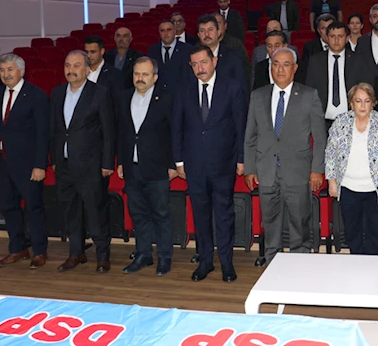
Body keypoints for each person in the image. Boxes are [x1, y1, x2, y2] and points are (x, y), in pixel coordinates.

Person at [244, 47, 327, 265]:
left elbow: (320, 138)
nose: (280, 69)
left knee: (300, 224)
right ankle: (273, 265)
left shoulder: (309, 95)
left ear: (295, 68)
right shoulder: (258, 96)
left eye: (286, 64)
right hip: (266, 171)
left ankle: (299, 268)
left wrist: (317, 170)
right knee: (270, 225)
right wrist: (250, 168)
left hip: (298, 172)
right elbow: (250, 136)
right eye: (275, 64)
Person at [174, 45, 247, 282]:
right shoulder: (184, 90)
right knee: (200, 214)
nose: (200, 68)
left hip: (223, 163)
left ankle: (226, 263)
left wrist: (241, 159)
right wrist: (179, 161)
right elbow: (177, 127)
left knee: (224, 215)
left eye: (203, 62)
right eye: (194, 64)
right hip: (194, 164)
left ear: (214, 61)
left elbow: (240, 126)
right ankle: (205, 262)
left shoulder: (232, 87)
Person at [50, 50, 115, 273]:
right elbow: (54, 130)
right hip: (64, 165)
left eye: (77, 65)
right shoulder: (57, 93)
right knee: (71, 211)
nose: (71, 70)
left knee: (96, 211)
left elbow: (109, 131)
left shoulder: (100, 93)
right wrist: (54, 159)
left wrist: (107, 163)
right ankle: (76, 253)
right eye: (67, 65)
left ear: (87, 69)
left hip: (91, 166)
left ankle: (102, 255)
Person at [0, 53, 50, 269]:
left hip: (28, 165)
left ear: (22, 71)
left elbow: (43, 133)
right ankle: (17, 248)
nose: (6, 74)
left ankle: (39, 251)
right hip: (2, 163)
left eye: (10, 70)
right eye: (2, 70)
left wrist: (40, 165)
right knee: (8, 207)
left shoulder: (36, 95)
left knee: (34, 207)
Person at [116, 57, 175, 276]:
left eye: (145, 74)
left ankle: (164, 257)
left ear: (155, 77)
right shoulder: (123, 97)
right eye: (137, 73)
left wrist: (173, 164)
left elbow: (175, 133)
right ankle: (143, 254)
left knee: (161, 214)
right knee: (138, 214)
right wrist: (120, 161)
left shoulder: (166, 99)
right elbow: (121, 132)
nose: (140, 78)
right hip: (132, 168)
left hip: (158, 168)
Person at [325, 83, 378, 254]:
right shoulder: (340, 122)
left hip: (375, 189)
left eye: (367, 101)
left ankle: (372, 264)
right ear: (351, 103)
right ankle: (356, 263)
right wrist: (332, 181)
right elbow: (330, 152)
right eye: (358, 101)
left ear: (373, 103)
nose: (363, 105)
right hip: (348, 187)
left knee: (375, 233)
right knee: (352, 232)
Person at [305, 21, 369, 128]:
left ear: (346, 38)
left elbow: (365, 89)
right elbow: (309, 90)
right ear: (327, 38)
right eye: (332, 36)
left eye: (340, 36)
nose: (336, 40)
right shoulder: (315, 61)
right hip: (322, 121)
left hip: (351, 119)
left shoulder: (358, 60)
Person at [197, 14, 247, 94]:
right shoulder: (192, 57)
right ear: (198, 35)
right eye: (202, 31)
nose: (206, 34)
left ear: (218, 32)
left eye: (210, 30)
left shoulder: (234, 56)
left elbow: (242, 87)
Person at [147, 20, 193, 93]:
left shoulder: (187, 49)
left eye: (169, 30)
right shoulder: (152, 50)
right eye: (162, 31)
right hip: (158, 94)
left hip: (180, 93)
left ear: (174, 31)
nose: (166, 33)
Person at [213, 11, 252, 85]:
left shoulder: (236, 44)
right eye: (213, 25)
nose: (215, 27)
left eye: (218, 23)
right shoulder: (203, 46)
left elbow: (245, 70)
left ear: (225, 26)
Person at [297, 13, 336, 84]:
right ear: (318, 30)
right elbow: (305, 72)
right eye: (323, 28)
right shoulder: (309, 47)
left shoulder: (344, 45)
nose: (327, 32)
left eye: (330, 28)